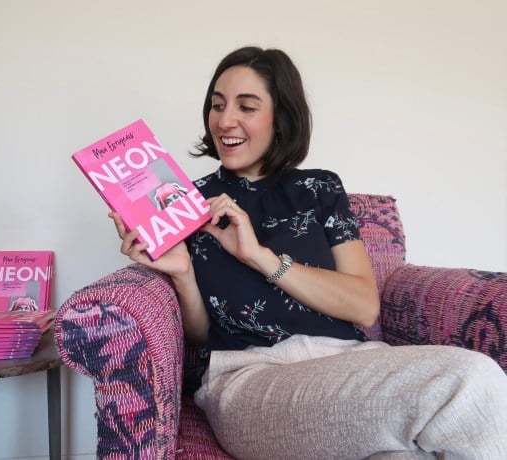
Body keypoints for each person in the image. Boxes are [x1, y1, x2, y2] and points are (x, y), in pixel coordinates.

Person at [110, 46, 507, 459]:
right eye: (217, 105)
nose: (225, 121)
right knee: (470, 380)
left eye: (246, 106)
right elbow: (198, 336)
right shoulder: (186, 202)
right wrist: (181, 273)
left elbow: (363, 306)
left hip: (352, 364)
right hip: (249, 379)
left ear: (280, 119)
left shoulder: (320, 189)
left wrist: (259, 256)